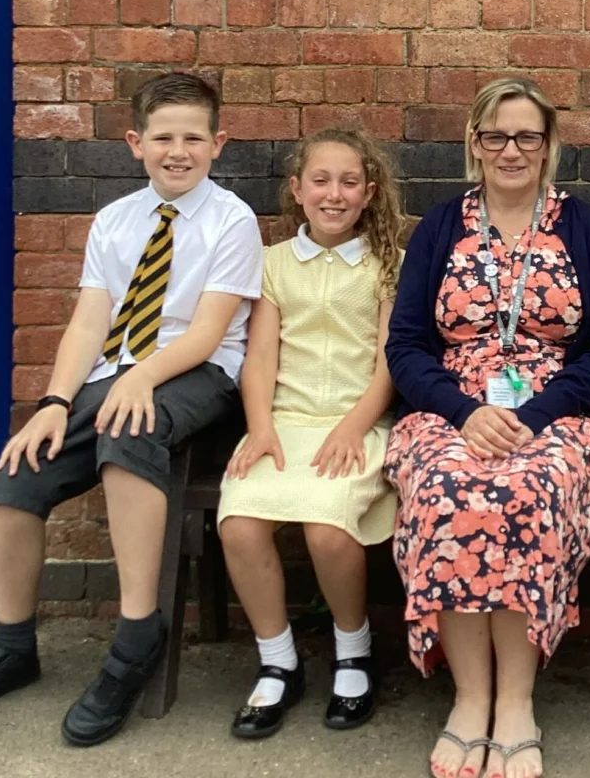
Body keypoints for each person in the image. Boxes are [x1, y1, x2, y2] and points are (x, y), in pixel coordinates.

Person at [0, 73, 263, 745]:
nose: (179, 151)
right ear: (135, 143)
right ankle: (13, 644)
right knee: (16, 478)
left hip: (198, 373)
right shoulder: (114, 220)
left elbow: (208, 331)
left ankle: (137, 634)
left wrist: (142, 379)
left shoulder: (231, 220)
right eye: (164, 137)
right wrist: (54, 402)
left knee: (127, 432)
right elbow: (90, 323)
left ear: (217, 143)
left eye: (193, 138)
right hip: (113, 373)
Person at [384, 77, 590, 778]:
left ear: (549, 146)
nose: (511, 149)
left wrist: (530, 417)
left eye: (528, 136)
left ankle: (516, 702)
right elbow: (405, 345)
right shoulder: (441, 226)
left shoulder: (582, 225)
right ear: (475, 144)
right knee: (452, 489)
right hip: (452, 409)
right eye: (496, 135)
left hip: (557, 414)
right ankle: (470, 698)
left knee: (531, 487)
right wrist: (466, 413)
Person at [217, 128, 402, 739]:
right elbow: (261, 357)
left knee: (328, 527)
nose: (334, 194)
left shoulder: (386, 265)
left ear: (368, 193)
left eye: (349, 182)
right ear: (297, 190)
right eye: (320, 181)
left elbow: (387, 362)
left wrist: (355, 426)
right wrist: (260, 427)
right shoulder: (272, 264)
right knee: (239, 521)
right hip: (285, 422)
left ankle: (354, 649)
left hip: (357, 422)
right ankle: (279, 661)